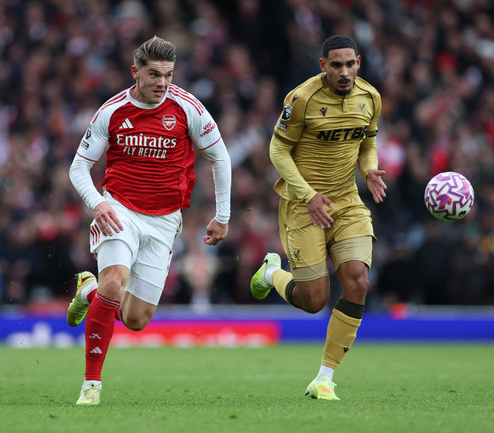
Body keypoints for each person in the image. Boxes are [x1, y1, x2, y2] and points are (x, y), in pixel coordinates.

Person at [67, 36, 231, 406]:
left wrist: (222, 216)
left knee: (136, 319)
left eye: (168, 75)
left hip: (164, 221)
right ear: (135, 71)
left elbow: (219, 158)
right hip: (118, 210)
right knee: (115, 282)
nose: (162, 82)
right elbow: (79, 167)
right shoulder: (112, 111)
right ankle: (91, 385)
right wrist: (97, 204)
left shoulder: (187, 108)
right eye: (154, 74)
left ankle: (87, 291)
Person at [250, 35, 386, 401]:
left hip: (347, 201)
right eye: (336, 65)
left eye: (350, 64)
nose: (344, 72)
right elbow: (278, 148)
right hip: (303, 204)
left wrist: (369, 169)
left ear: (358, 62)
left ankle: (324, 378)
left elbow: (368, 142)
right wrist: (308, 195)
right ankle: (271, 273)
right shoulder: (302, 98)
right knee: (314, 301)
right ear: (322, 65)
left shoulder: (369, 97)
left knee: (357, 281)